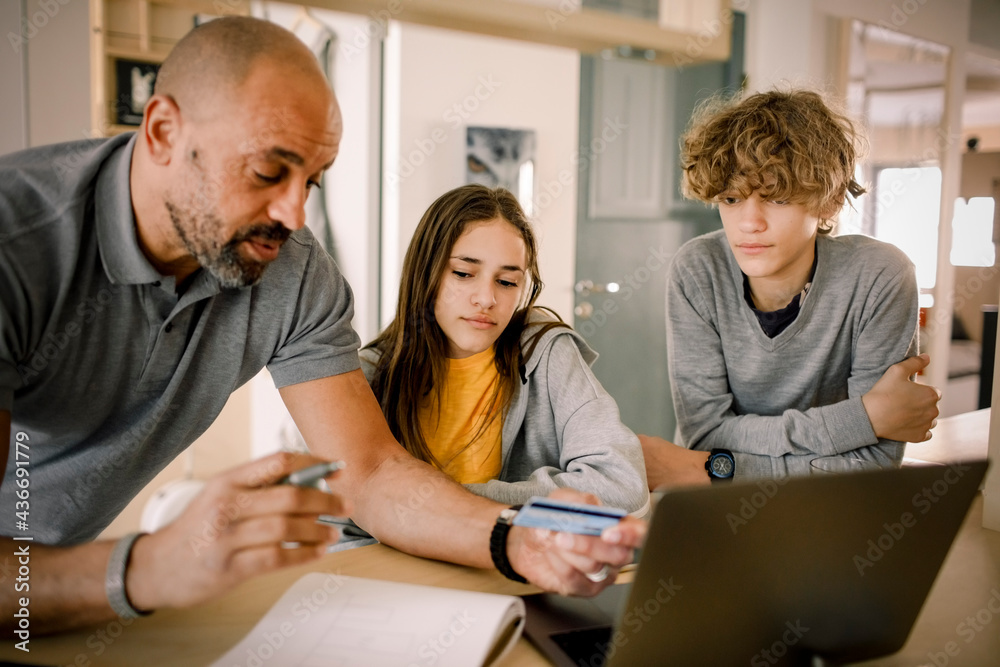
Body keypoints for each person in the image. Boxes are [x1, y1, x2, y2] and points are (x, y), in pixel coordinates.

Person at [0, 16, 644, 634]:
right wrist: (149, 566)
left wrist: (512, 540)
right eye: (267, 171)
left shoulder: (293, 271)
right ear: (164, 131)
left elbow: (366, 473)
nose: (293, 212)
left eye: (312, 179)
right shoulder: (18, 248)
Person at [639, 89, 941, 487]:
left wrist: (706, 471)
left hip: (822, 511)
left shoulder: (880, 276)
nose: (749, 223)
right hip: (712, 506)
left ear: (830, 202)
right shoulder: (699, 270)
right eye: (731, 198)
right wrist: (865, 419)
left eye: (777, 198)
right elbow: (705, 435)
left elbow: (873, 464)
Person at [360, 184, 648, 515]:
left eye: (507, 282)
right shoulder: (369, 374)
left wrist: (445, 503)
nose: (487, 299)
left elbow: (623, 487)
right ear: (425, 273)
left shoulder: (546, 352)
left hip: (509, 561)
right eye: (464, 273)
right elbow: (338, 513)